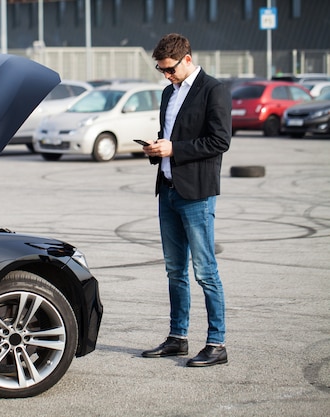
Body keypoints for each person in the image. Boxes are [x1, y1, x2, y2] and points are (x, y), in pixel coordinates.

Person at [140, 33, 231, 367]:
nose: (166, 75)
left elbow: (220, 141)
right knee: (174, 270)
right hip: (167, 190)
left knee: (205, 271)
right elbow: (171, 138)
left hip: (196, 195)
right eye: (162, 70)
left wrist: (174, 149)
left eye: (170, 69)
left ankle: (217, 344)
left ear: (187, 59)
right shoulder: (169, 93)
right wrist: (156, 148)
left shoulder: (213, 90)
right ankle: (178, 338)